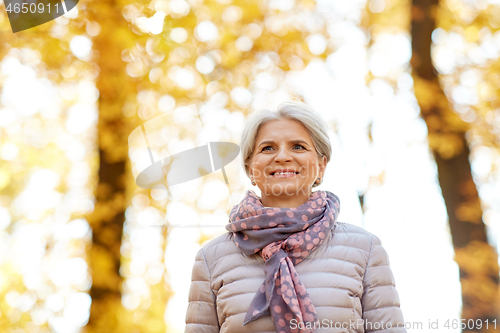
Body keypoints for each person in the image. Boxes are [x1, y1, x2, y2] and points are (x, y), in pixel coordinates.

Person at [185, 100, 406, 333]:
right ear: (250, 168)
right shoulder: (211, 260)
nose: (282, 156)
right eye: (267, 148)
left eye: (298, 147)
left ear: (321, 166)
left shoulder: (366, 250)